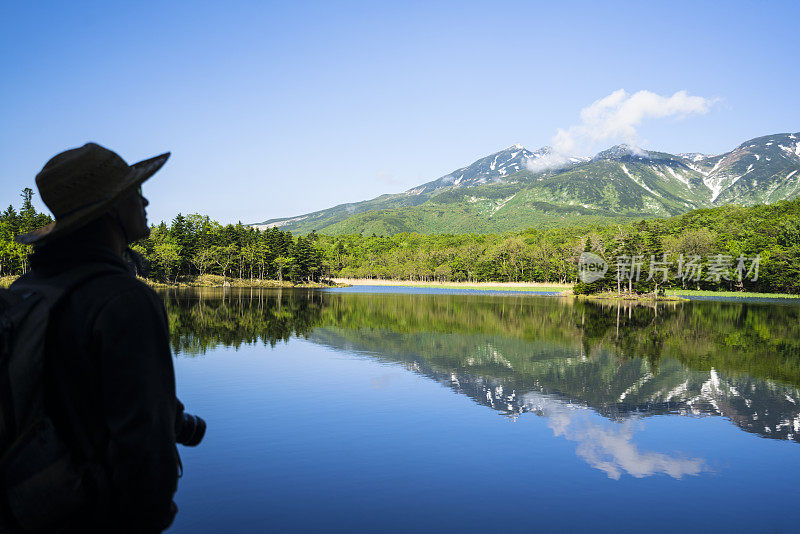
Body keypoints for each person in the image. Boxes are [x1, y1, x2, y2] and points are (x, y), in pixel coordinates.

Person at [4, 143, 205, 532]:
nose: (145, 201)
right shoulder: (123, 299)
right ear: (110, 208)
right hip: (93, 516)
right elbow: (145, 445)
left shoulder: (28, 287)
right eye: (133, 193)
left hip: (34, 505)